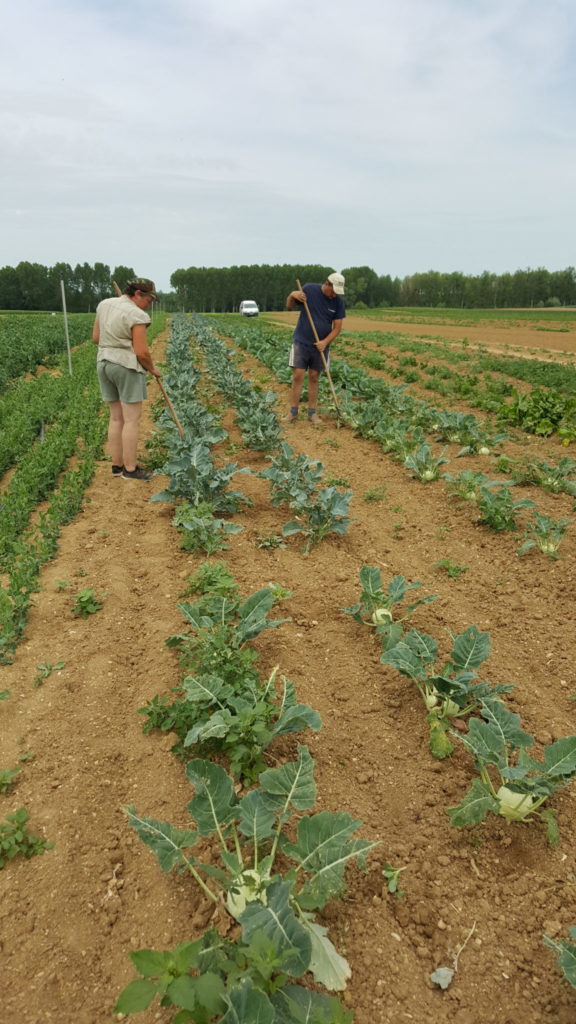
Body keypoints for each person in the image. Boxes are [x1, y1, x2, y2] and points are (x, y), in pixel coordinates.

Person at [92, 278, 162, 480]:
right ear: (138, 294)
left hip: (103, 364)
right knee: (131, 420)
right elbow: (141, 352)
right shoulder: (137, 315)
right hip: (125, 367)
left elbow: (96, 338)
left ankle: (117, 466)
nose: (149, 305)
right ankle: (130, 469)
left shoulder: (104, 304)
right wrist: (152, 369)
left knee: (116, 418)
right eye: (149, 300)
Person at [284, 272, 345, 424]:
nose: (334, 295)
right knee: (298, 375)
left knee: (314, 377)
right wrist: (293, 295)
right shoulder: (309, 290)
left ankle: (312, 413)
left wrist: (324, 342)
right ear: (327, 284)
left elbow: (337, 328)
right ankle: (293, 412)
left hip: (321, 346)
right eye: (333, 291)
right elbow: (289, 306)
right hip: (301, 341)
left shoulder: (338, 302)